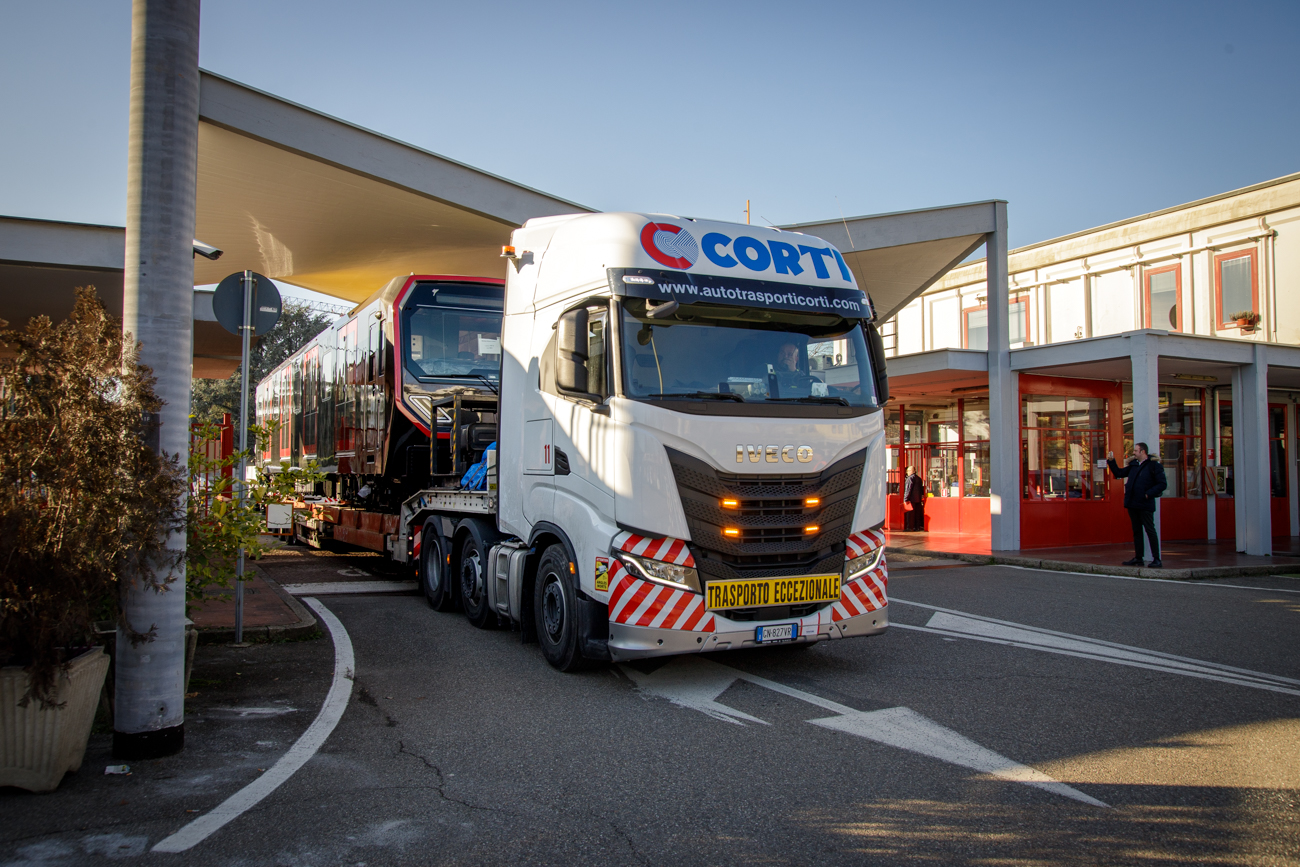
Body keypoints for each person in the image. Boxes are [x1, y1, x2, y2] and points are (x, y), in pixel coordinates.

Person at [1107, 443, 1167, 567]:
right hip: (1132, 503)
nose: (1133, 453)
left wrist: (1148, 494)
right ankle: (1138, 557)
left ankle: (1157, 558)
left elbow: (1162, 484)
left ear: (1143, 451)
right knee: (1137, 531)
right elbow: (1119, 473)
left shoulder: (1154, 466)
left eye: (1136, 450)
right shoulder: (1134, 466)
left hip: (1145, 504)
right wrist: (1111, 461)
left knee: (1150, 529)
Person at [902, 465, 926, 531]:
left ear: (911, 471)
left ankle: (909, 527)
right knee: (917, 514)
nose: (907, 472)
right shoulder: (919, 478)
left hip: (911, 499)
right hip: (918, 499)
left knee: (910, 514)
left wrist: (905, 499)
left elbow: (908, 489)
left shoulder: (909, 479)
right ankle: (917, 527)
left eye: (908, 471)